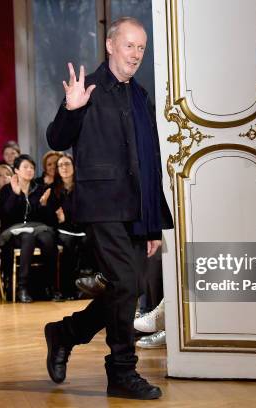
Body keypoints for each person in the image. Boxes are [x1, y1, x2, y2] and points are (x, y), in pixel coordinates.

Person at [44, 17, 173, 400]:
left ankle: (66, 333)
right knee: (128, 285)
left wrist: (152, 224)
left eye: (141, 48)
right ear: (110, 45)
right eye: (129, 45)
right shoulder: (88, 90)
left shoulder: (141, 96)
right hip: (102, 205)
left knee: (124, 289)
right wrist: (72, 108)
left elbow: (150, 161)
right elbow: (57, 137)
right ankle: (120, 371)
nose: (135, 54)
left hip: (136, 210)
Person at [0, 154, 58, 303]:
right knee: (27, 237)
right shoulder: (7, 189)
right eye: (25, 167)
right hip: (14, 233)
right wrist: (16, 194)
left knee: (47, 237)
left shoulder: (40, 189)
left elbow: (47, 219)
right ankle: (22, 287)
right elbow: (5, 215)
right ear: (16, 170)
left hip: (37, 229)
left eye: (32, 167)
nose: (29, 170)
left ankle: (49, 286)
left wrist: (43, 205)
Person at [44, 154, 86, 299]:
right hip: (62, 231)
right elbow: (51, 216)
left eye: (67, 164)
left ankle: (82, 287)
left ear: (74, 166)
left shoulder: (82, 187)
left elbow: (84, 212)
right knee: (68, 245)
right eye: (60, 165)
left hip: (82, 229)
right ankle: (67, 289)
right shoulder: (52, 189)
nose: (64, 168)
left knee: (86, 243)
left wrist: (65, 216)